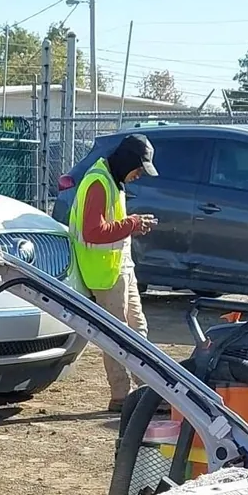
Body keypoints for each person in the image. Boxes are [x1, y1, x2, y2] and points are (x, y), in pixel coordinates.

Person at [69, 132, 158, 411]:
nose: (138, 176)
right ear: (127, 161)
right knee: (118, 337)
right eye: (138, 169)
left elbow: (109, 226)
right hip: (104, 274)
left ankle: (147, 390)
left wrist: (132, 225)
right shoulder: (98, 182)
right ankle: (122, 397)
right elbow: (93, 231)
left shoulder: (112, 180)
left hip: (120, 266)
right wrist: (132, 224)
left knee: (137, 329)